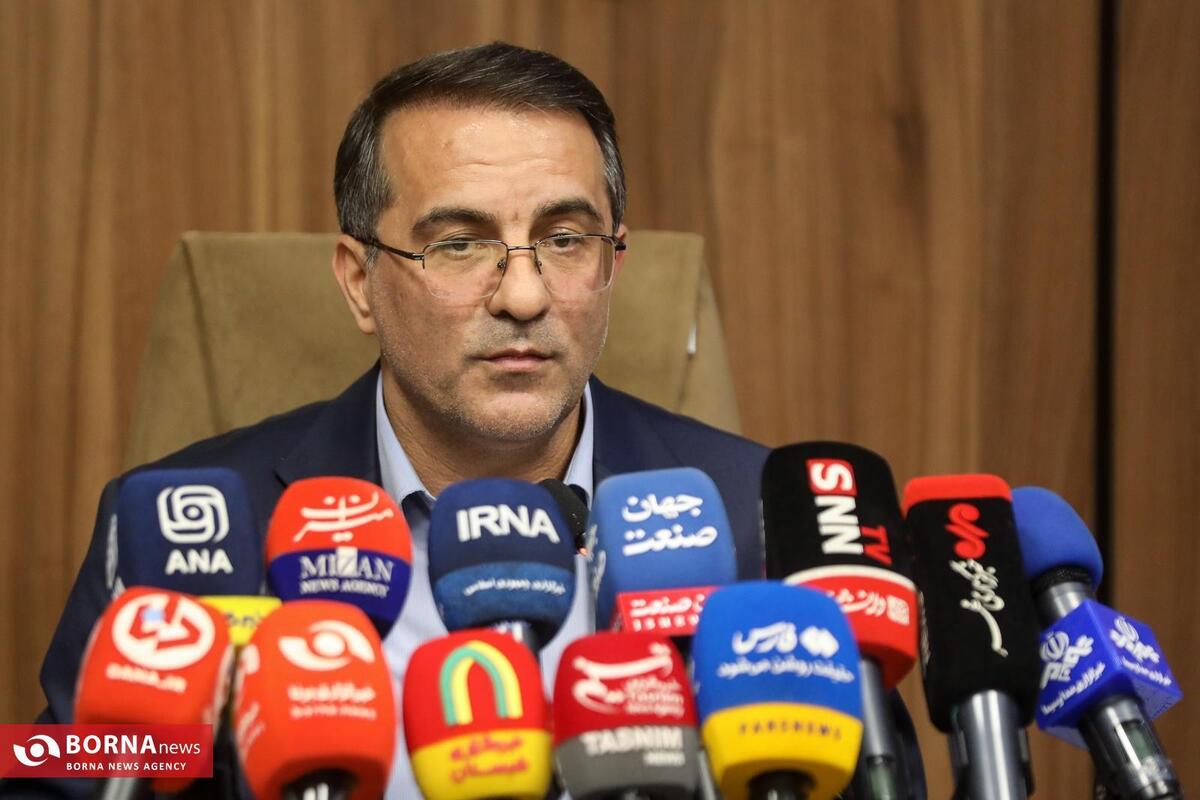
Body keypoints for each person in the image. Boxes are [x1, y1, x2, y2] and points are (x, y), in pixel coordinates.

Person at [15, 43, 921, 798]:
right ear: (359, 282)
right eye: (459, 244)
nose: (524, 295)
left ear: (612, 265)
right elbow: (57, 774)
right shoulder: (189, 532)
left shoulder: (773, 526)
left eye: (564, 239)